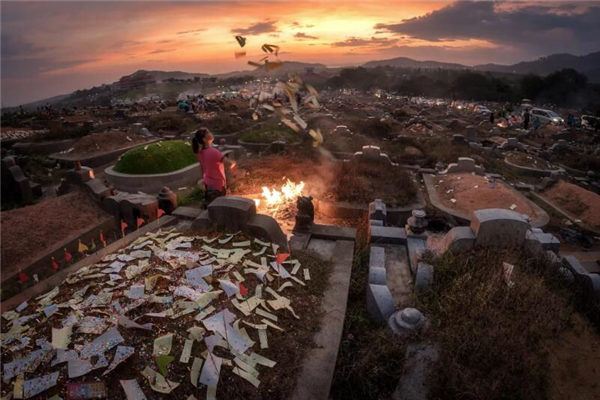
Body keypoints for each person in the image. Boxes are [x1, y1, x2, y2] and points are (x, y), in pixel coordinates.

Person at [192, 128, 236, 205]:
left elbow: (203, 168)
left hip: (208, 184)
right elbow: (229, 163)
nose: (211, 132)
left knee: (212, 207)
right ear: (204, 139)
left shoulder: (200, 152)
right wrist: (234, 163)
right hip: (217, 186)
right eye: (208, 132)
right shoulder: (214, 152)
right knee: (219, 208)